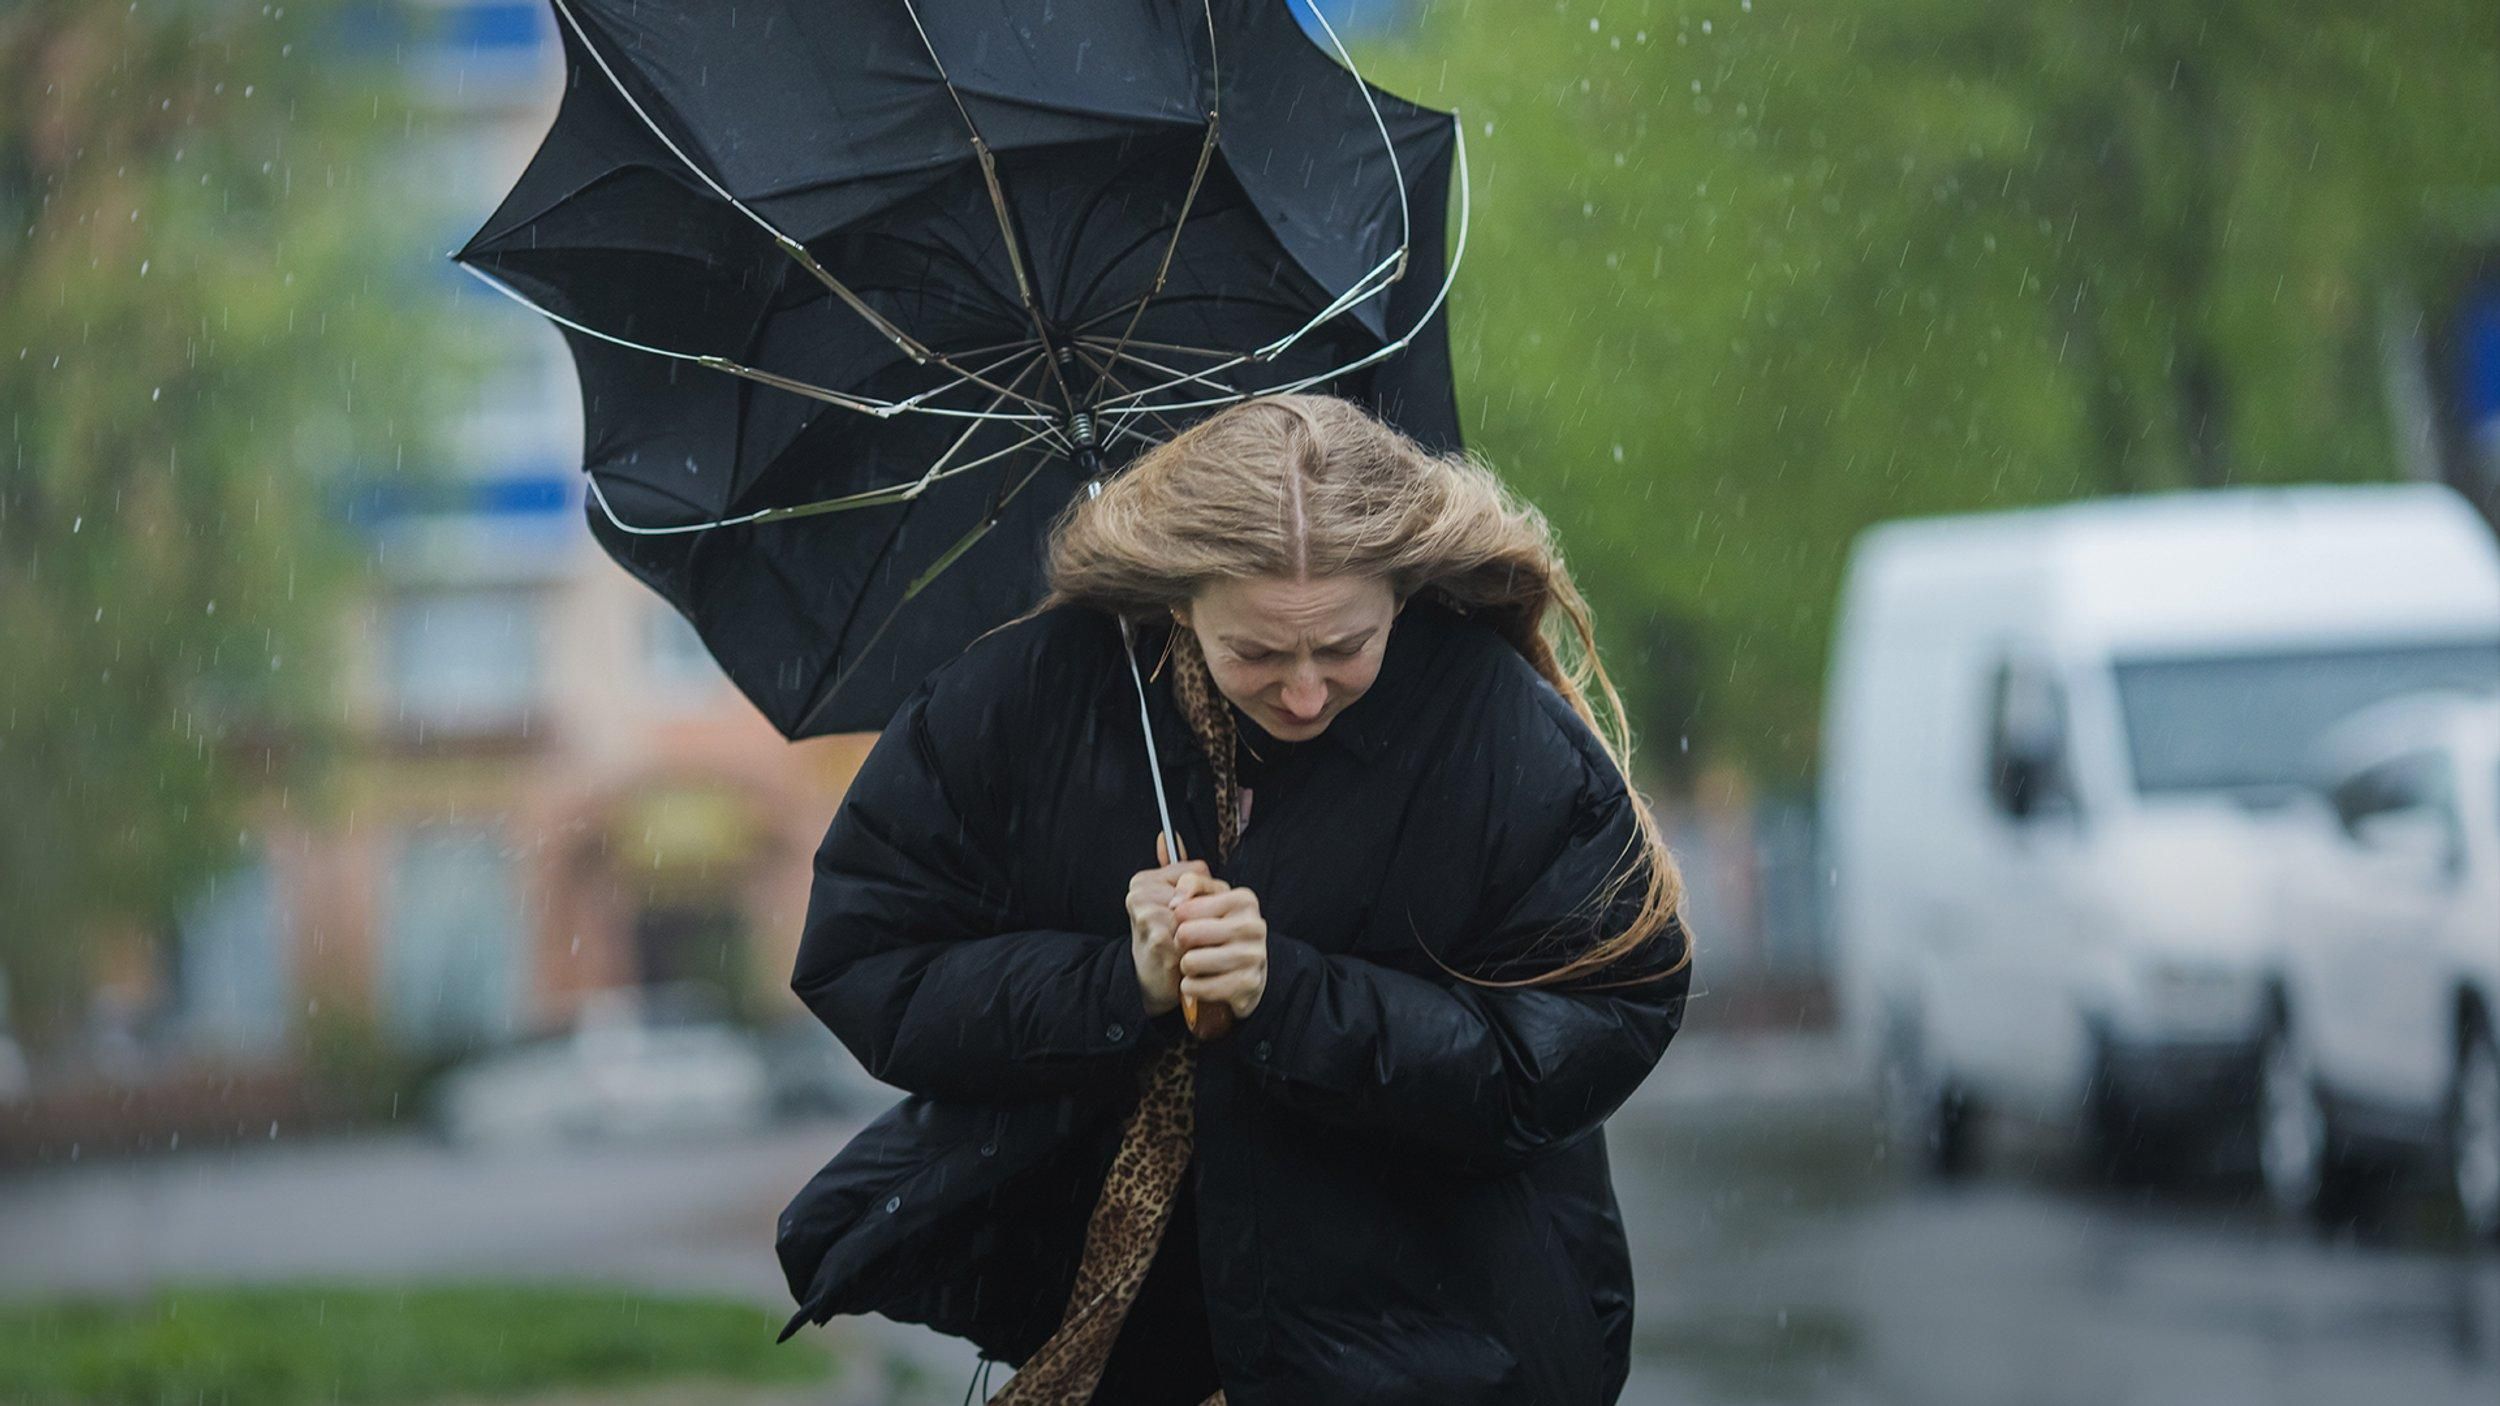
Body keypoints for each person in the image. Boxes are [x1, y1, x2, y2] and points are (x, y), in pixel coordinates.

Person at [776, 393, 1694, 1406]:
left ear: (1399, 590)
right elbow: (870, 963)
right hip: (1140, 1354)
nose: (1304, 691)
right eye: (1256, 651)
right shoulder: (1022, 704)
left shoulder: (1497, 731)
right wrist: (1114, 982)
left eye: (1344, 645)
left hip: (1442, 1352)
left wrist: (1293, 998)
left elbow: (1592, 1024)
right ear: (1178, 597)